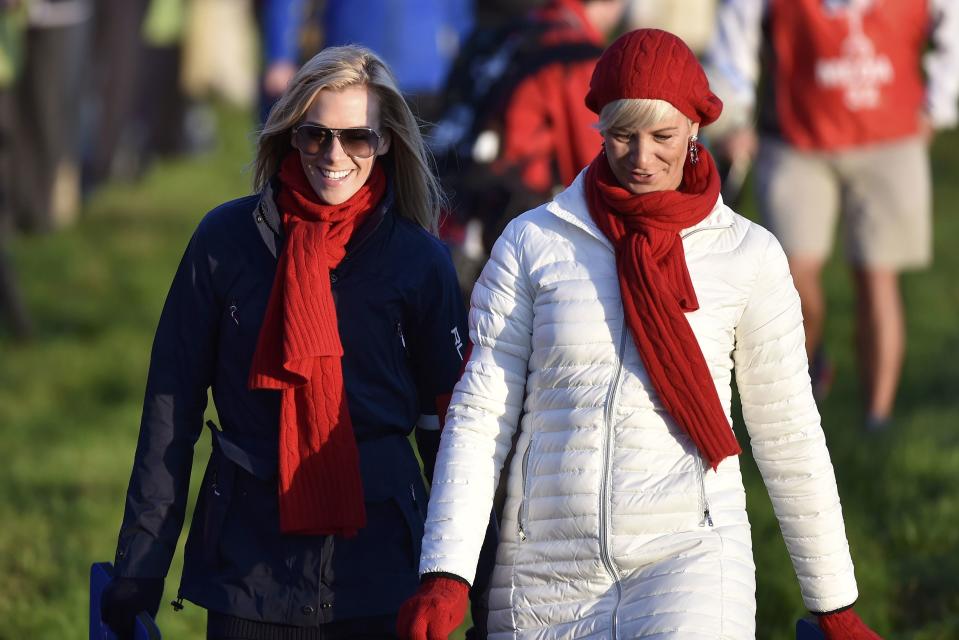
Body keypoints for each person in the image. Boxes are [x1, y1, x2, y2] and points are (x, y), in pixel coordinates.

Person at [397, 29, 882, 639]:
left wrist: (833, 601)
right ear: (600, 128)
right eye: (624, 134)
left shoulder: (748, 255)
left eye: (663, 137)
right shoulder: (534, 242)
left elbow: (788, 430)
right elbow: (480, 412)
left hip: (693, 555)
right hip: (545, 564)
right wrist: (446, 573)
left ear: (695, 131)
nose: (642, 157)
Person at [101, 45, 472, 639]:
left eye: (358, 138)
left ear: (386, 144)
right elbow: (171, 411)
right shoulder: (224, 242)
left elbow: (455, 433)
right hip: (249, 563)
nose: (334, 155)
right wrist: (139, 567)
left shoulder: (420, 261)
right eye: (315, 134)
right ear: (289, 136)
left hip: (379, 564)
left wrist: (462, 580)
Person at [705, 0, 959, 429]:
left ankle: (876, 420)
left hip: (889, 137)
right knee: (792, 277)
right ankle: (797, 400)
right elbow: (736, 32)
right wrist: (736, 113)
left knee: (877, 276)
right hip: (795, 139)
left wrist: (938, 104)